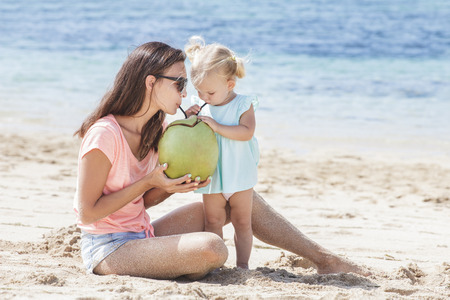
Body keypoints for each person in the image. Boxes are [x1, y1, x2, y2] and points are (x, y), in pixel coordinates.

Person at [73, 41, 369, 280]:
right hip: (109, 248)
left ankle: (324, 259)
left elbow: (142, 202)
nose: (186, 92)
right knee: (212, 247)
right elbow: (87, 214)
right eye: (178, 83)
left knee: (238, 199)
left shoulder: (158, 130)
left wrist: (170, 186)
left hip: (143, 232)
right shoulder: (105, 134)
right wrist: (149, 181)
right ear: (151, 82)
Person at [183, 36, 258, 269]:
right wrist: (189, 117)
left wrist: (216, 126)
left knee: (242, 223)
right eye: (199, 91)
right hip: (213, 174)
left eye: (209, 93)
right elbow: (190, 136)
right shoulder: (203, 104)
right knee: (213, 221)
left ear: (230, 84)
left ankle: (242, 265)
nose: (204, 97)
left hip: (239, 175)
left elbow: (246, 132)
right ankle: (216, 265)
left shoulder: (243, 104)